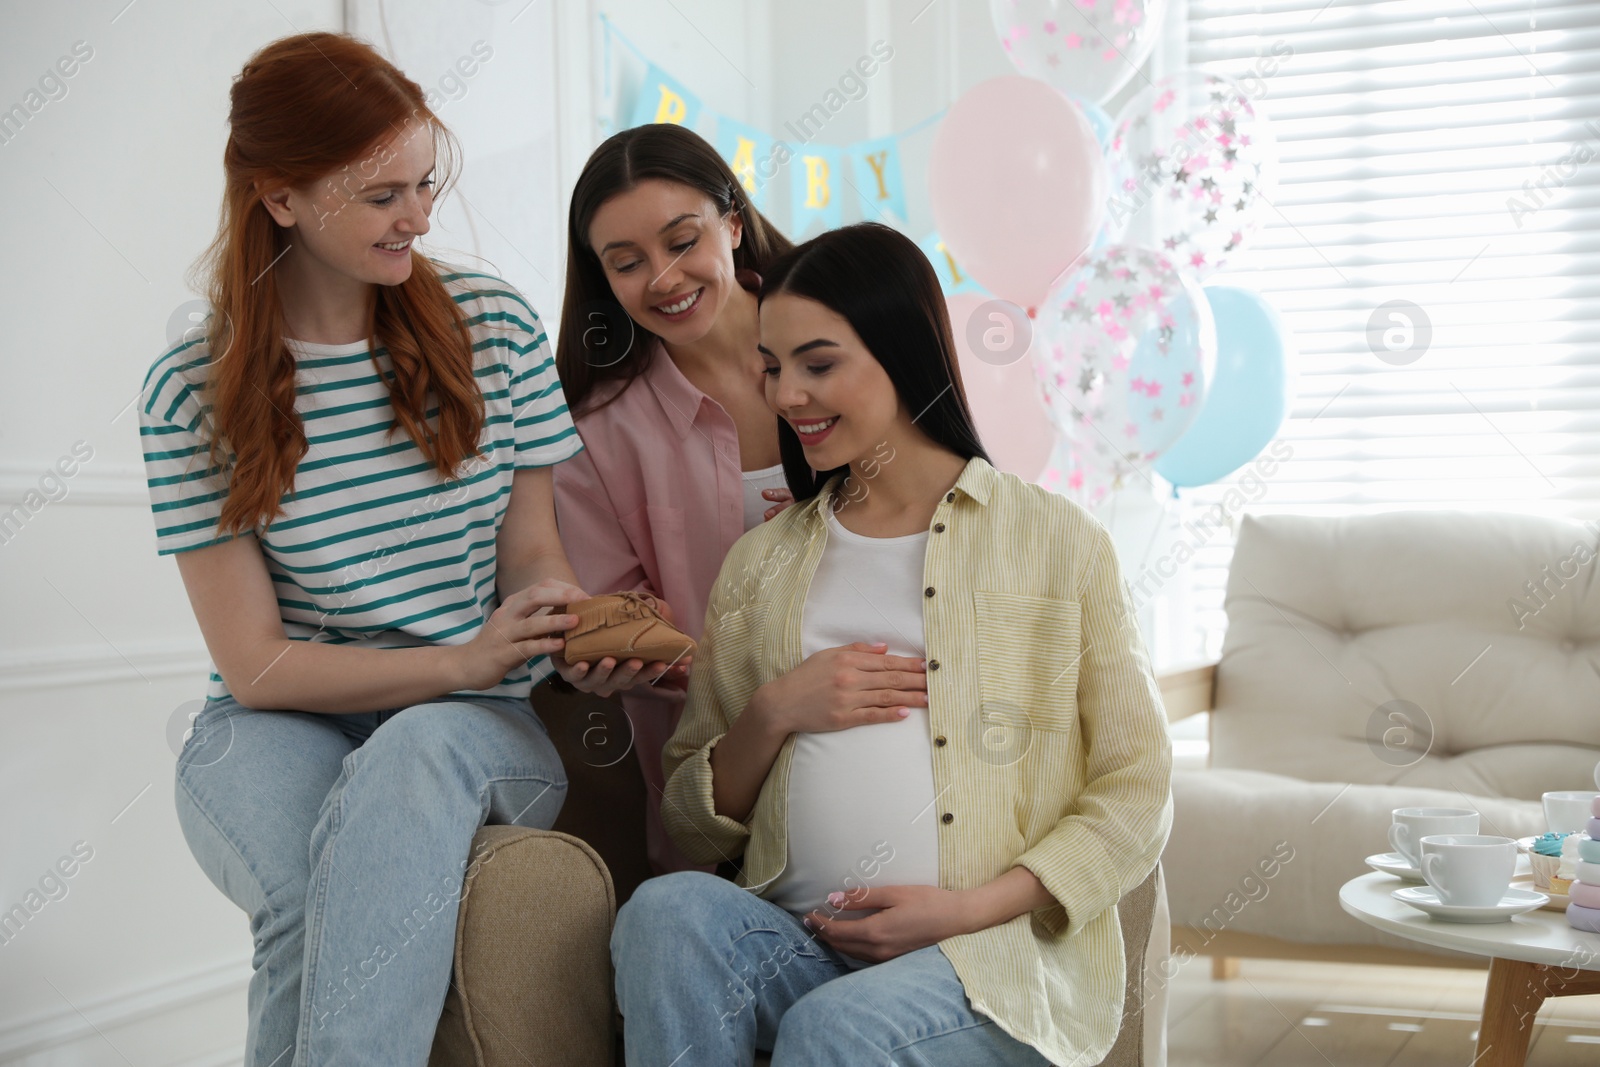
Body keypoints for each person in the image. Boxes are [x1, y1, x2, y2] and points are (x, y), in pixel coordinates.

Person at [139, 32, 605, 1066]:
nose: (421, 216)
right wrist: (457, 656)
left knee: (416, 744)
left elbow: (534, 549)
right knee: (311, 901)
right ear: (281, 196)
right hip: (275, 720)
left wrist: (548, 617)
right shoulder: (191, 387)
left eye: (425, 182)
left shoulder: (494, 328)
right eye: (382, 193)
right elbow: (254, 661)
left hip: (477, 726)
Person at [611, 222, 1173, 1065]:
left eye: (819, 362)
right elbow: (696, 830)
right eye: (772, 368)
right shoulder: (760, 566)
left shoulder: (1057, 542)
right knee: (664, 912)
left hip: (984, 960)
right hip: (798, 945)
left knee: (835, 1030)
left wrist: (966, 908)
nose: (787, 395)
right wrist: (772, 711)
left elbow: (1137, 788)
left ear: (902, 348)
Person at [551, 123, 796, 875]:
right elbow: (619, 616)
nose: (661, 277)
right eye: (627, 263)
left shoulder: (847, 342)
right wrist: (607, 651)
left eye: (681, 240)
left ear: (731, 221)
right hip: (716, 792)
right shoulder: (595, 432)